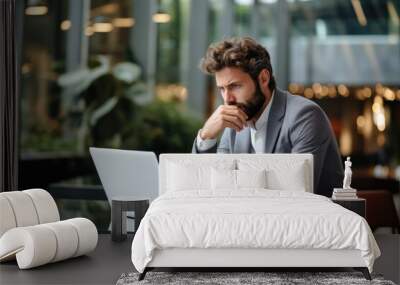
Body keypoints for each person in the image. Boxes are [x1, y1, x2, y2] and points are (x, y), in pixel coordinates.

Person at [192, 37, 343, 197]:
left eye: (235, 86)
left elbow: (295, 194)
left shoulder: (305, 116)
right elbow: (208, 187)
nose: (227, 99)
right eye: (222, 89)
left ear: (264, 78)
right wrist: (206, 136)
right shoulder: (233, 124)